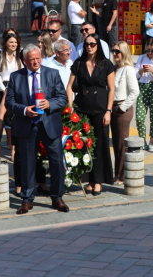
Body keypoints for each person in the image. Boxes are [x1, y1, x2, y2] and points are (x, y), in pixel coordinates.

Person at [5, 44, 69, 214]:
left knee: (56, 162)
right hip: (27, 125)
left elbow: (63, 98)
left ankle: (57, 197)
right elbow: (9, 103)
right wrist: (25, 110)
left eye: (38, 58)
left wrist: (50, 104)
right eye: (31, 59)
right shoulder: (15, 77)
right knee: (27, 164)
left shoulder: (52, 74)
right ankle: (27, 199)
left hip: (49, 125)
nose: (35, 62)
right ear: (25, 61)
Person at [67, 33, 115, 195]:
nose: (89, 47)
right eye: (87, 44)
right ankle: (89, 179)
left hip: (101, 110)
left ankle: (98, 181)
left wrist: (108, 111)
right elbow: (69, 86)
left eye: (93, 44)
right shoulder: (79, 63)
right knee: (85, 145)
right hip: (82, 110)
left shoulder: (106, 64)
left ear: (98, 45)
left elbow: (111, 89)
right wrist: (70, 106)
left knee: (100, 146)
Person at [111, 41, 139, 184]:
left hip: (122, 108)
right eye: (113, 51)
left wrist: (122, 107)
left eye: (118, 51)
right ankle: (117, 173)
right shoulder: (115, 68)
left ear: (124, 53)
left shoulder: (128, 69)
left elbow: (135, 91)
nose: (115, 54)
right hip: (113, 108)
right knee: (116, 143)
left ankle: (121, 176)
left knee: (122, 144)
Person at [0, 33, 23, 157]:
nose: (14, 44)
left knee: (15, 119)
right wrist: (4, 89)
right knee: (0, 119)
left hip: (16, 88)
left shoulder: (20, 54)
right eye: (11, 42)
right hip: (1, 88)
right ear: (5, 43)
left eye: (15, 42)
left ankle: (14, 149)